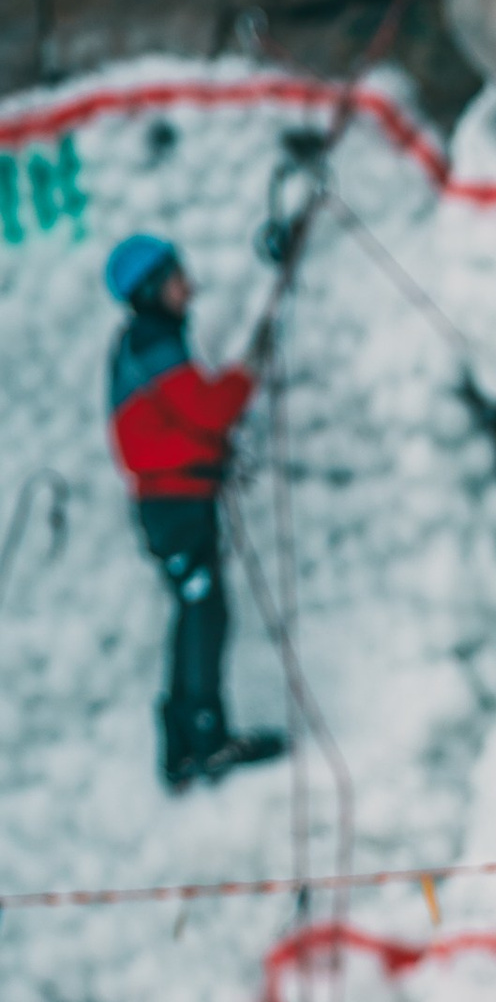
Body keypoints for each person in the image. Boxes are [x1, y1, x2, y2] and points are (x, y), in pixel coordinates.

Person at [103, 233, 285, 790]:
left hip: (175, 501)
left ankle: (184, 743)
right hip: (176, 503)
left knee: (197, 612)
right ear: (153, 289)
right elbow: (206, 412)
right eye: (177, 276)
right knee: (203, 614)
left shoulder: (147, 342)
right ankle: (204, 740)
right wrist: (247, 372)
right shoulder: (155, 343)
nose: (188, 286)